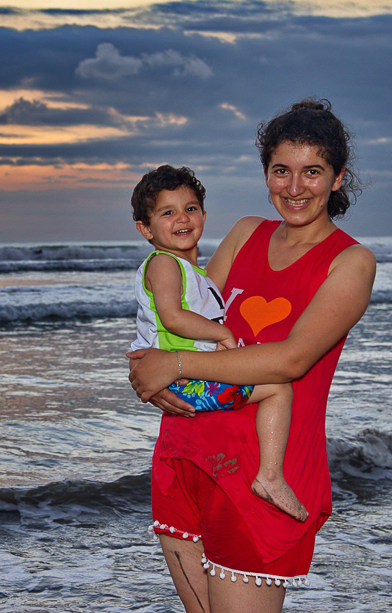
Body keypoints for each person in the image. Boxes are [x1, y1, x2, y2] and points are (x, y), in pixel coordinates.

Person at [127, 99, 376, 613]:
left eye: (312, 172)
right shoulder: (245, 233)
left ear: (337, 178)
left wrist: (173, 367)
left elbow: (290, 361)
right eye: (281, 170)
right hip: (186, 453)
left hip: (263, 477)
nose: (295, 187)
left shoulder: (350, 262)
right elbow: (180, 323)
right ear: (266, 173)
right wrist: (144, 371)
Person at [129, 165, 307, 522]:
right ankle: (270, 477)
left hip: (184, 376)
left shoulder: (193, 272)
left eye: (190, 208)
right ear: (145, 229)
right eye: (168, 212)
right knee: (278, 387)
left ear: (204, 216)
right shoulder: (164, 264)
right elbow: (172, 317)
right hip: (186, 381)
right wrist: (222, 334)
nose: (182, 218)